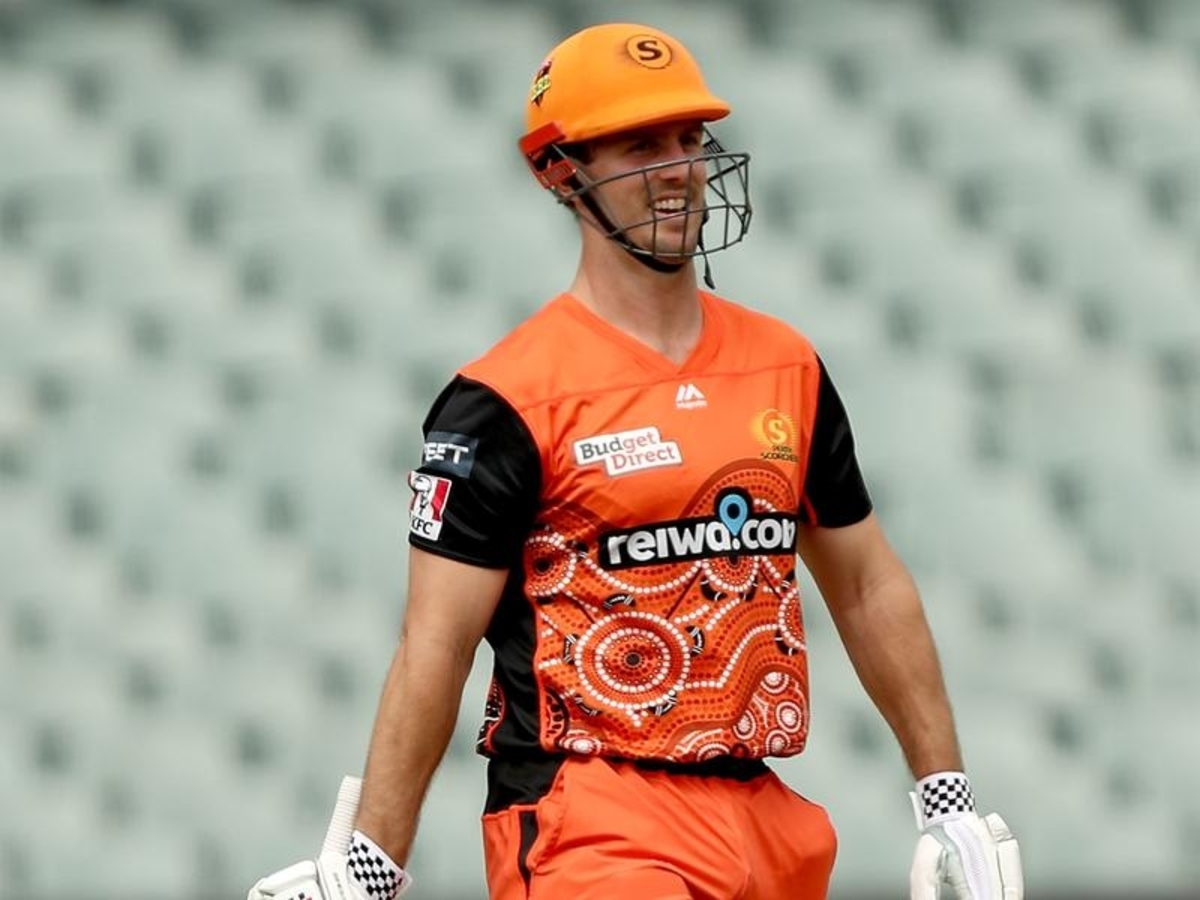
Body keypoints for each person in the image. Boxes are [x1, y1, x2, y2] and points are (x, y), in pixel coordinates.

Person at [248, 21, 1024, 900]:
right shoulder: (504, 399)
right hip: (590, 819)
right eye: (640, 146)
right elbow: (435, 644)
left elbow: (866, 585)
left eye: (689, 140)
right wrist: (372, 865)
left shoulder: (786, 366)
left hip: (766, 819)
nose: (679, 169)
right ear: (559, 170)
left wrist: (946, 799)